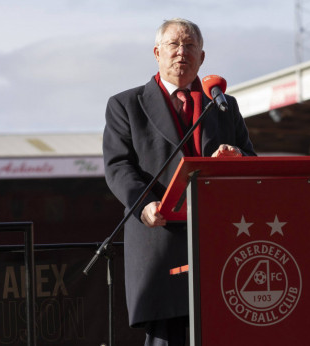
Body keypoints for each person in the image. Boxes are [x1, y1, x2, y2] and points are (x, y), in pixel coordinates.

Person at [103, 18, 256, 346]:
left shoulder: (224, 106)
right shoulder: (125, 106)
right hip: (159, 240)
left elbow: (252, 163)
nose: (181, 52)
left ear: (202, 58)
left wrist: (238, 158)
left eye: (190, 46)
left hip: (218, 244)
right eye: (173, 45)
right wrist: (144, 205)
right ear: (157, 52)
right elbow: (119, 168)